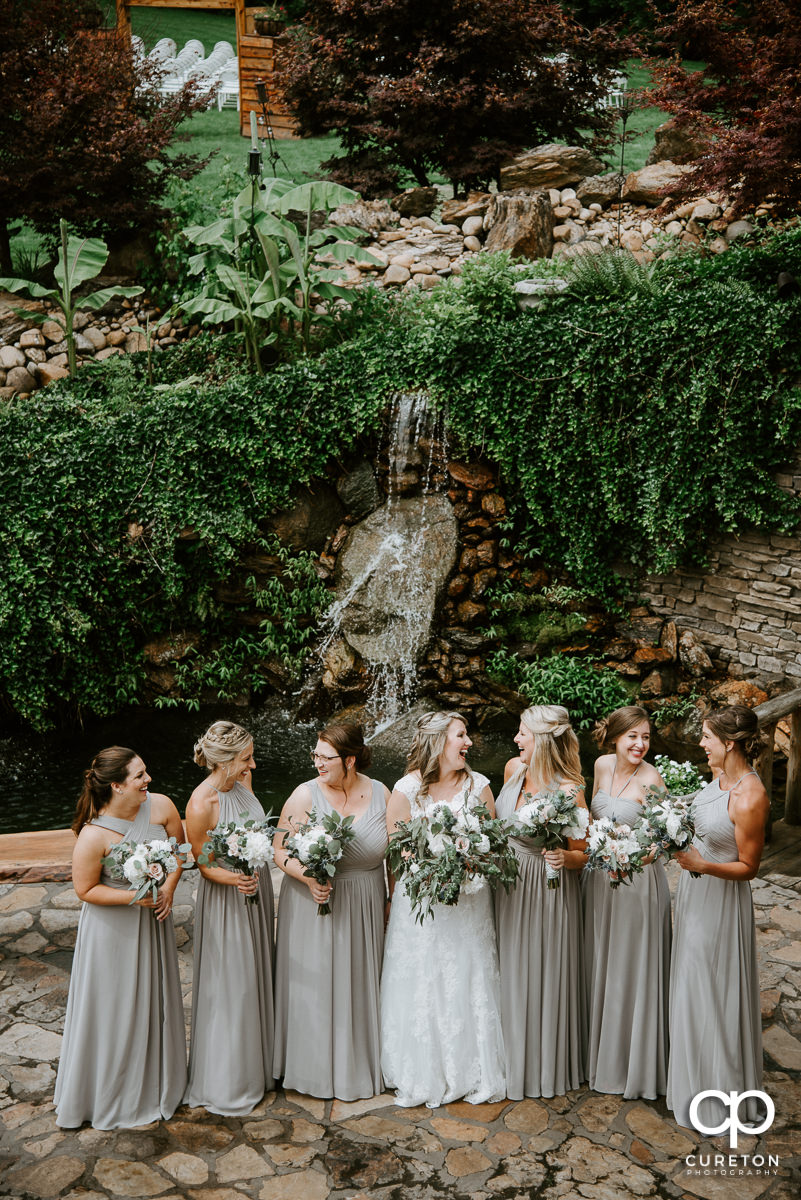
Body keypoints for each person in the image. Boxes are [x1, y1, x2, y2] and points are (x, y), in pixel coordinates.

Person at [54, 747, 186, 1129]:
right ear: (117, 785)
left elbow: (179, 852)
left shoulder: (160, 806)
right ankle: (115, 1095)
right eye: (140, 776)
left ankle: (159, 1085)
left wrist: (169, 889)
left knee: (154, 1002)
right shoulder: (93, 835)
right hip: (112, 932)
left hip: (154, 919)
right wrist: (135, 896)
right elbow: (85, 890)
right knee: (116, 1010)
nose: (149, 781)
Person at [380, 710, 506, 1108]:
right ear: (438, 742)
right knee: (423, 977)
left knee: (467, 974)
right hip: (420, 906)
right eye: (460, 736)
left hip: (469, 905)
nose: (468, 743)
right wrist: (425, 871)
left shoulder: (479, 786)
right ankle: (420, 1068)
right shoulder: (406, 790)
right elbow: (397, 856)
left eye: (466, 735)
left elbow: (492, 844)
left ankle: (471, 1068)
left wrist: (469, 862)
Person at [273, 722, 390, 1100]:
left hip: (366, 900)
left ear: (350, 760)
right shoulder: (303, 796)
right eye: (315, 755)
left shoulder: (381, 792)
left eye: (326, 757)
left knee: (359, 980)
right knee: (318, 982)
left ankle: (357, 1065)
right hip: (313, 901)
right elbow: (280, 851)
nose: (317, 763)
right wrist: (308, 877)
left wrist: (390, 898)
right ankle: (313, 1069)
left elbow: (394, 851)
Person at [667, 705, 769, 1130]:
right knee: (692, 985)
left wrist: (701, 865)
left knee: (712, 989)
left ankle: (718, 1094)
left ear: (729, 743)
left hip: (720, 902)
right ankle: (690, 1084)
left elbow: (749, 867)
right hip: (694, 895)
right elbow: (707, 826)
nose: (701, 743)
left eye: (707, 737)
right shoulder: (719, 778)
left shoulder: (751, 796)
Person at [494, 705, 588, 1099]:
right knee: (506, 968)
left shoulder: (569, 791)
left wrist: (565, 858)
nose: (516, 740)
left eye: (523, 735)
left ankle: (539, 1063)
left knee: (538, 970)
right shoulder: (513, 771)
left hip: (545, 891)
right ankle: (503, 1056)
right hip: (506, 884)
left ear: (543, 741)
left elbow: (585, 853)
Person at [184, 721, 275, 1116]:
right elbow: (203, 863)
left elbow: (255, 827)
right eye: (245, 759)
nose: (252, 765)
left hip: (255, 890)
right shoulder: (201, 804)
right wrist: (236, 878)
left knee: (255, 975)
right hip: (226, 899)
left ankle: (260, 1067)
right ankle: (229, 1079)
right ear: (223, 761)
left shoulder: (243, 785)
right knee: (231, 984)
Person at [583, 705, 671, 1099]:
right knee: (602, 958)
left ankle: (627, 1062)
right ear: (615, 737)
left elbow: (661, 841)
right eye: (633, 736)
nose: (640, 744)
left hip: (635, 884)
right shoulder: (601, 766)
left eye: (646, 737)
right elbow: (589, 820)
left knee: (628, 965)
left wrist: (629, 859)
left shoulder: (653, 779)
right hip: (600, 881)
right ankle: (598, 1051)